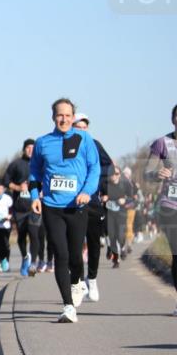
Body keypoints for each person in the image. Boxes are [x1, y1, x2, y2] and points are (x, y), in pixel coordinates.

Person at [29, 98, 101, 323]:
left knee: (75, 257)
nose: (64, 119)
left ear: (73, 117)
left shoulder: (84, 139)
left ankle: (78, 281)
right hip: (52, 206)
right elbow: (34, 173)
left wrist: (87, 192)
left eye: (68, 115)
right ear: (53, 117)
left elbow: (94, 168)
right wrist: (34, 196)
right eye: (60, 115)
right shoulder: (43, 143)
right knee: (60, 254)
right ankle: (68, 306)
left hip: (77, 206)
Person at [72, 112, 114, 302]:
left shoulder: (95, 144)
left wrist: (94, 172)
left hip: (92, 201)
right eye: (77, 127)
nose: (81, 131)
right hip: (71, 201)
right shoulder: (66, 145)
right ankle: (78, 283)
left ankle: (93, 279)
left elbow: (109, 166)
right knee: (75, 244)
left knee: (94, 243)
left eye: (84, 127)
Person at [143, 103, 177, 316]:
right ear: (173, 119)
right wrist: (157, 174)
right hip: (170, 205)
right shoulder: (162, 143)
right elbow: (147, 172)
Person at [4, 139, 42, 276]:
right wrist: (18, 187)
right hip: (20, 208)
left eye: (33, 147)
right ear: (24, 149)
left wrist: (42, 191)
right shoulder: (16, 164)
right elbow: (6, 181)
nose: (31, 150)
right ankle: (25, 257)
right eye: (28, 148)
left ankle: (33, 263)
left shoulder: (40, 164)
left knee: (34, 234)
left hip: (35, 207)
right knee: (21, 237)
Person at [104, 166, 127, 268]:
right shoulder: (105, 185)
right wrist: (102, 198)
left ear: (120, 175)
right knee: (112, 236)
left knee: (120, 235)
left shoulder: (124, 186)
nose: (114, 176)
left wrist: (125, 200)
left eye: (116, 174)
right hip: (109, 213)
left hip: (121, 213)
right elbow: (99, 195)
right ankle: (116, 259)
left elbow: (133, 198)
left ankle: (122, 247)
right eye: (112, 174)